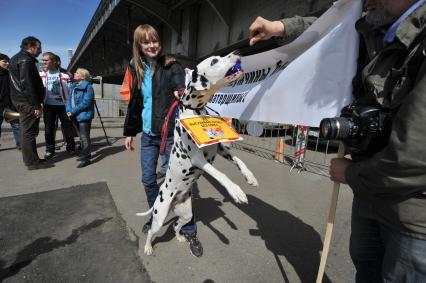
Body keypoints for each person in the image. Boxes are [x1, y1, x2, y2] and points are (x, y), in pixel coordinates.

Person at [249, 0, 426, 281]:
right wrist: (280, 28)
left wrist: (351, 173)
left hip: (412, 216)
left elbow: (414, 158)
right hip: (369, 193)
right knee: (365, 271)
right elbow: (331, 28)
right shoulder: (376, 19)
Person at [123, 24, 203, 257]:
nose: (152, 45)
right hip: (149, 136)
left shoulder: (171, 65)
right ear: (139, 45)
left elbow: (180, 85)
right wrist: (129, 132)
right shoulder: (136, 68)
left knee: (179, 185)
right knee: (148, 179)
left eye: (155, 40)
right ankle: (159, 212)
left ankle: (189, 229)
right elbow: (136, 103)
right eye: (146, 42)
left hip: (170, 136)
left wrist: (182, 92)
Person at [9, 36, 53, 170]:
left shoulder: (16, 58)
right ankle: (32, 163)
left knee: (27, 132)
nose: (40, 51)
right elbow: (28, 84)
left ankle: (33, 159)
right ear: (30, 47)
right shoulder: (25, 60)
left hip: (21, 100)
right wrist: (36, 105)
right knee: (28, 133)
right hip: (27, 102)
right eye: (38, 48)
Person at [39, 52, 75, 159]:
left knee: (67, 127)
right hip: (48, 106)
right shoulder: (40, 74)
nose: (43, 62)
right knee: (49, 129)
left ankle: (71, 147)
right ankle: (50, 150)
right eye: (43, 60)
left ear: (54, 61)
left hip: (63, 106)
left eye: (46, 60)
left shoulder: (65, 75)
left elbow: (71, 91)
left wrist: (71, 106)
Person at [66, 68, 94, 168]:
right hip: (74, 114)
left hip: (83, 115)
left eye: (77, 73)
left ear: (83, 76)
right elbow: (68, 99)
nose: (74, 73)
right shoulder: (73, 86)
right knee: (81, 136)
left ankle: (86, 158)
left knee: (84, 137)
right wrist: (68, 110)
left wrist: (72, 111)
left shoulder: (88, 87)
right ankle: (86, 153)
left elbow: (86, 102)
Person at [0, 53, 20, 150]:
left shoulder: (10, 74)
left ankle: (21, 145)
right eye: (4, 61)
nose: (7, 63)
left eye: (8, 62)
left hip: (11, 105)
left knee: (16, 125)